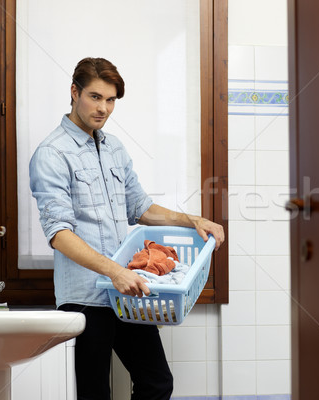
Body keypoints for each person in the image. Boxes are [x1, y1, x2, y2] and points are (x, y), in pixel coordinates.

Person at [29, 57, 225, 400]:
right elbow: (59, 234)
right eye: (94, 97)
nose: (103, 108)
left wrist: (193, 220)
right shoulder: (52, 153)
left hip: (127, 294)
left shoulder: (114, 148)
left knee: (156, 382)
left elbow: (141, 207)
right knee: (94, 393)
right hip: (86, 297)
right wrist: (114, 271)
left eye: (110, 100)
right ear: (74, 93)